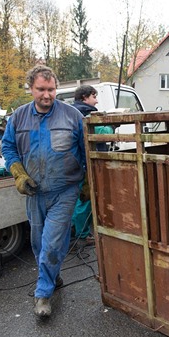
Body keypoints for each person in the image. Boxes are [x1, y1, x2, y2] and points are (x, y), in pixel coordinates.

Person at [2, 65, 86, 318]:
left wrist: (89, 184)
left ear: (56, 88)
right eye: (41, 89)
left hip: (65, 190)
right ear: (30, 88)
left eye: (51, 89)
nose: (47, 95)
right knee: (39, 244)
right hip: (35, 192)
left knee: (51, 242)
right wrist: (19, 174)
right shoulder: (18, 118)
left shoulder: (72, 116)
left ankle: (43, 294)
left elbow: (87, 152)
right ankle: (53, 276)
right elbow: (8, 148)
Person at [70, 85, 99, 244]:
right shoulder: (84, 113)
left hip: (78, 164)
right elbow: (97, 133)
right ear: (84, 97)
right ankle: (82, 234)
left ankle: (80, 230)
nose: (96, 100)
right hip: (84, 164)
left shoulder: (72, 112)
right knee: (84, 199)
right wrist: (111, 126)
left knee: (80, 200)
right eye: (94, 96)